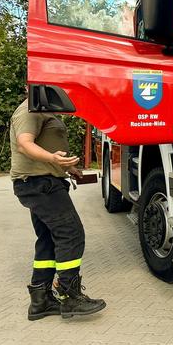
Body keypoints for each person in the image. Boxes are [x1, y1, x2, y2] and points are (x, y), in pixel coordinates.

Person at [10, 97, 106, 320]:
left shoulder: (43, 108)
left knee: (48, 239)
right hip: (39, 184)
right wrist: (53, 158)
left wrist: (67, 167)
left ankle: (40, 301)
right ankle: (69, 296)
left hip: (42, 182)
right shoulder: (29, 109)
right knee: (71, 234)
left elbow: (44, 144)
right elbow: (25, 143)